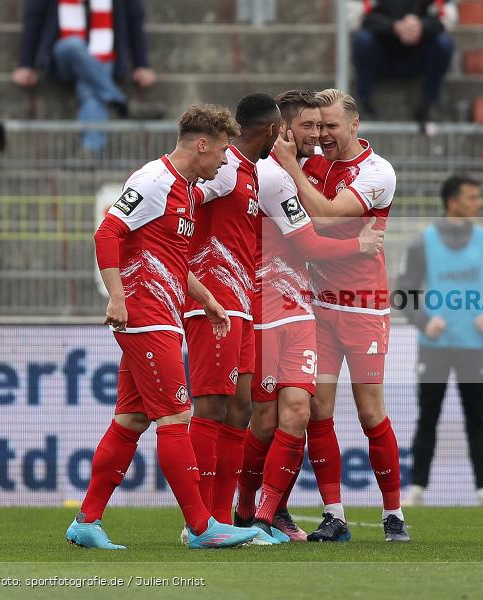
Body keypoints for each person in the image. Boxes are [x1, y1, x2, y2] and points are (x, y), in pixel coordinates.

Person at [71, 104, 261, 549]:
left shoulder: (187, 192)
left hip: (166, 312)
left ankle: (86, 522)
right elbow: (107, 233)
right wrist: (117, 296)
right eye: (220, 151)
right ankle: (201, 528)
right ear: (202, 143)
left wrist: (208, 299)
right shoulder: (153, 182)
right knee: (176, 417)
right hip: (144, 314)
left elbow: (173, 260)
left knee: (130, 419)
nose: (223, 161)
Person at [233, 89, 384, 542]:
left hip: (299, 308)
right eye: (308, 127)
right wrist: (360, 246)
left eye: (322, 126)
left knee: (300, 410)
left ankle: (266, 514)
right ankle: (239, 510)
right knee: (261, 420)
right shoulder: (269, 175)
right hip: (261, 309)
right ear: (282, 130)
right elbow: (310, 242)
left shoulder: (302, 171)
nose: (317, 135)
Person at [271, 88, 409, 542]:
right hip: (318, 305)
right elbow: (302, 221)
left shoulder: (377, 172)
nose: (324, 135)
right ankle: (335, 515)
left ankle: (394, 515)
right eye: (318, 126)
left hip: (365, 307)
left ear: (355, 125)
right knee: (317, 409)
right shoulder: (312, 162)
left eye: (331, 126)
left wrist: (293, 169)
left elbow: (326, 214)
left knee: (371, 413)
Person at [182, 93, 280, 537]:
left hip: (241, 301)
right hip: (213, 299)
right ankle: (198, 522)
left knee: (241, 406)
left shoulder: (248, 173)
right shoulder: (223, 172)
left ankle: (223, 520)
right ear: (274, 130)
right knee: (211, 405)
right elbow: (180, 203)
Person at [397, 174, 483, 507]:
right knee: (428, 416)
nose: (477, 203)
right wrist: (423, 320)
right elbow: (403, 292)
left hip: (473, 346)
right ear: (452, 202)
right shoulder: (423, 242)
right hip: (434, 346)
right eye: (471, 197)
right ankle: (417, 488)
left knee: (476, 417)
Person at [13, 0, 160, 156]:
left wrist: (141, 65)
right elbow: (33, 18)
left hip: (104, 56)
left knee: (90, 88)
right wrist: (26, 64)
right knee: (74, 45)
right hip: (64, 58)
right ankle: (120, 102)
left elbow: (134, 20)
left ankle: (90, 150)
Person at [349, 0, 457, 125]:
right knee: (362, 40)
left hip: (419, 56)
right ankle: (364, 104)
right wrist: (394, 26)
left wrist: (420, 25)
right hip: (381, 56)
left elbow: (446, 20)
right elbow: (358, 19)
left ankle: (428, 104)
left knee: (444, 43)